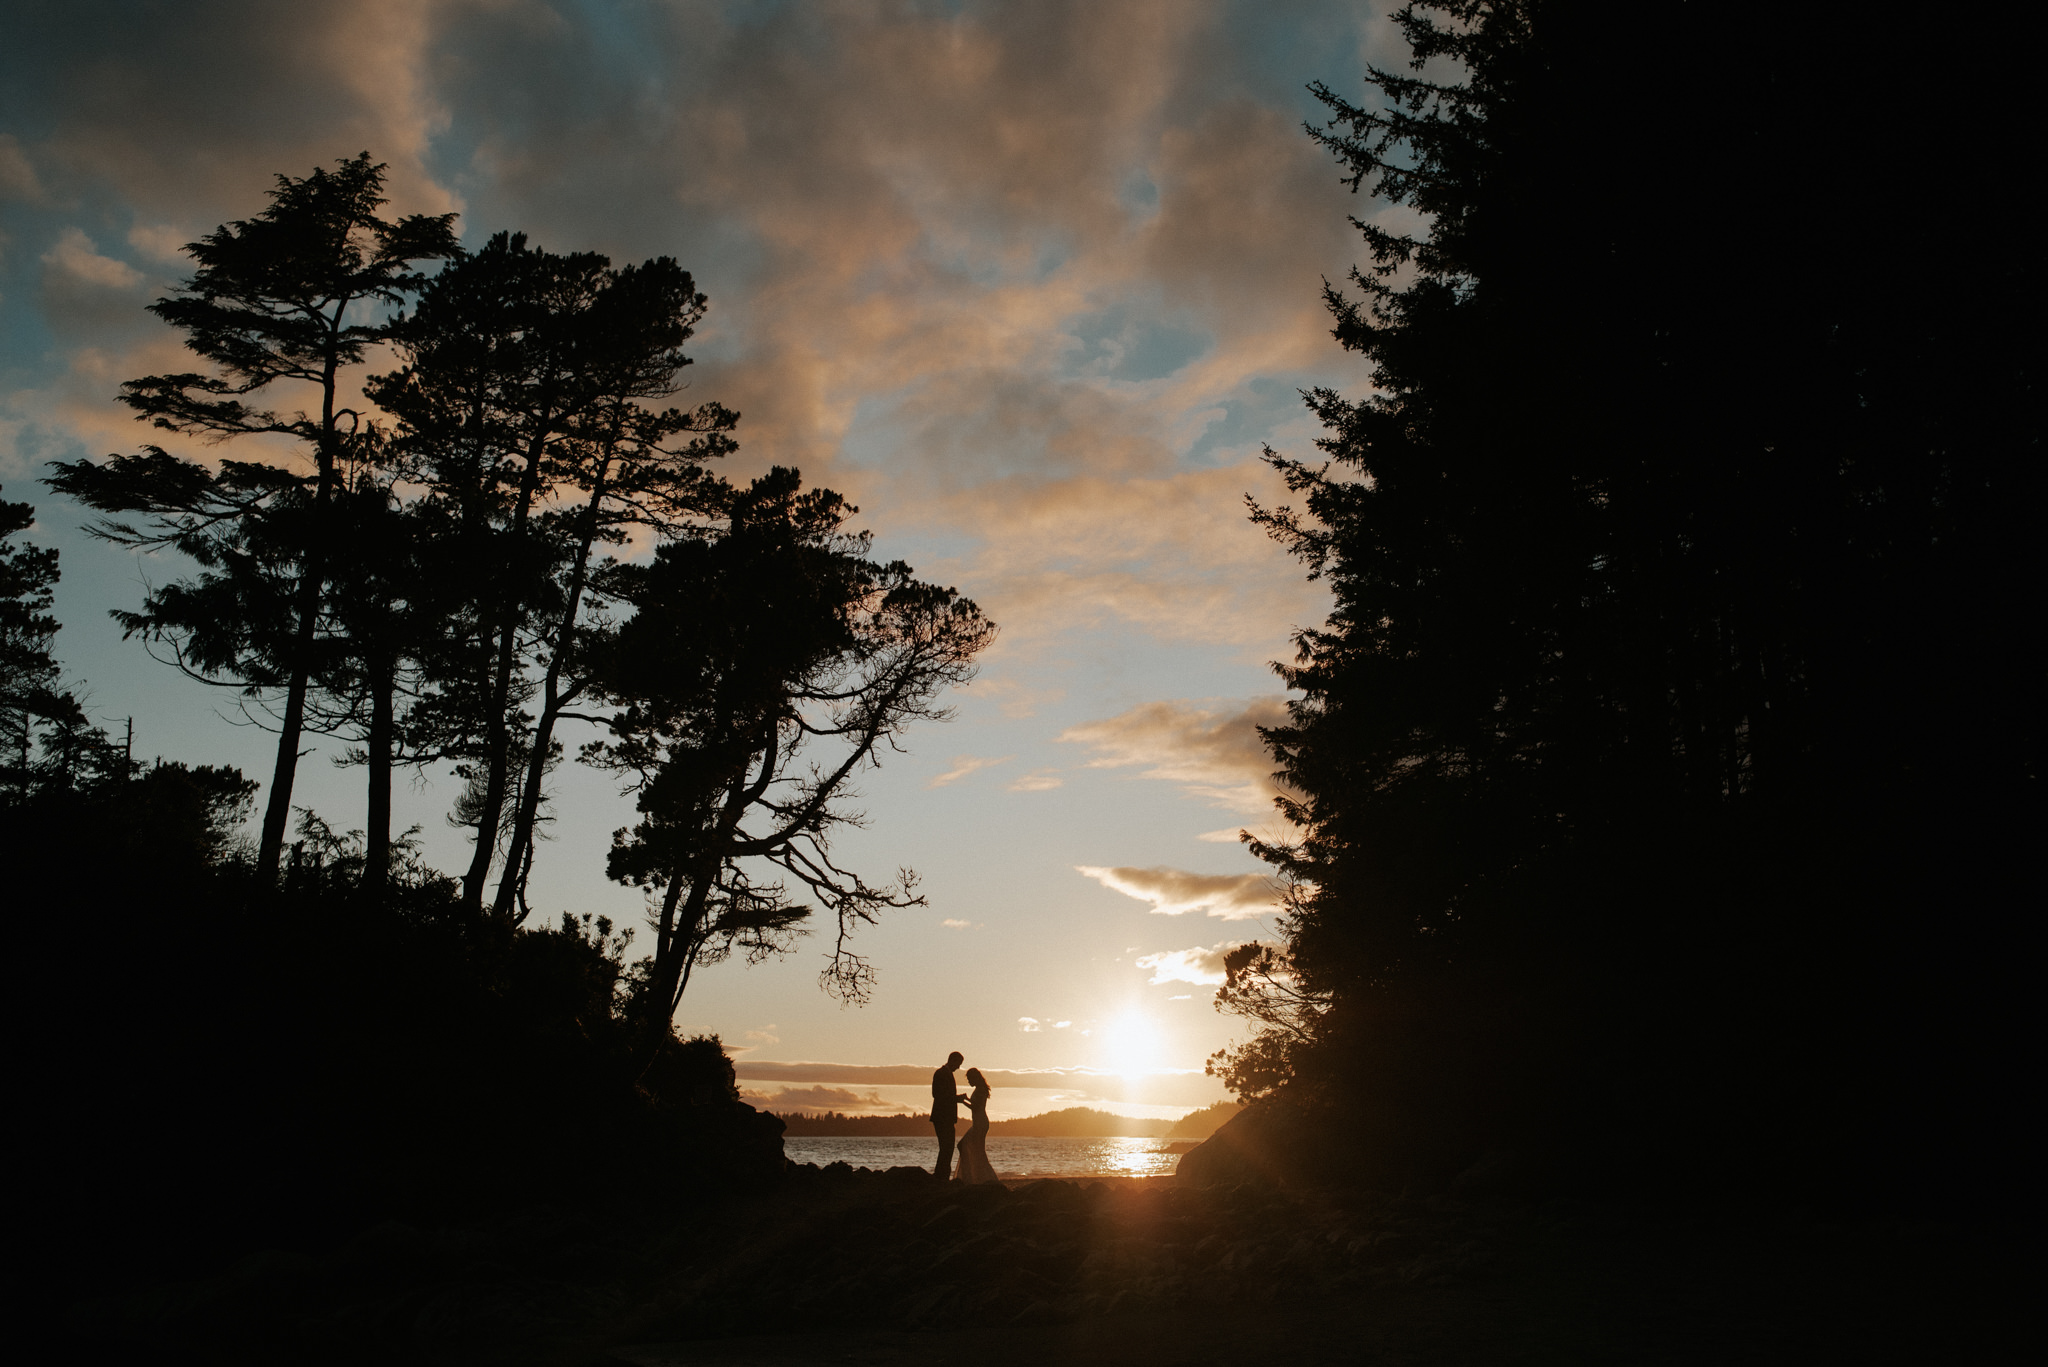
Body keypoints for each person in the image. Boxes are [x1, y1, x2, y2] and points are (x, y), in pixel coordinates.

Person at [954, 1067, 997, 1184]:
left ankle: (975, 1176)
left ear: (974, 1078)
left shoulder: (980, 1089)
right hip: (979, 1123)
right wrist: (966, 1098)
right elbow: (976, 1103)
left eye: (969, 1079)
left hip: (980, 1123)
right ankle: (976, 1176)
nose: (968, 1081)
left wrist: (962, 1101)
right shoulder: (979, 1089)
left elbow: (976, 1107)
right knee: (974, 1148)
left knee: (966, 1146)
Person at [931, 1051, 966, 1179]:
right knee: (946, 1147)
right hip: (942, 1117)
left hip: (946, 1117)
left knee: (947, 1147)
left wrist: (957, 1098)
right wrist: (957, 1098)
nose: (959, 1067)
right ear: (953, 1061)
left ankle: (942, 1175)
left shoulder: (946, 1074)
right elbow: (937, 1094)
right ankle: (941, 1176)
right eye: (958, 1064)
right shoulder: (941, 1074)